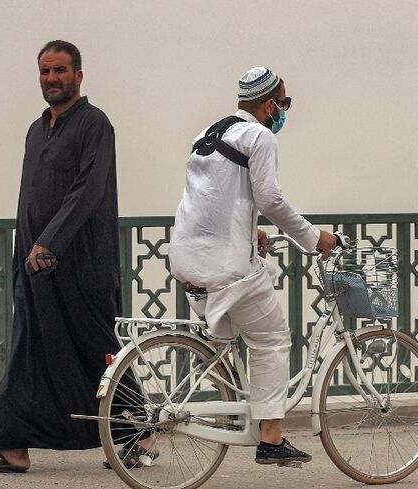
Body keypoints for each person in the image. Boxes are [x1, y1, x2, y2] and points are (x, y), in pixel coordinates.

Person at [0, 40, 153, 472]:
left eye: (60, 71)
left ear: (78, 76)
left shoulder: (94, 124)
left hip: (80, 262)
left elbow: (88, 191)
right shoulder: (36, 128)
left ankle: (136, 432)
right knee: (31, 348)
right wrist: (25, 253)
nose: (52, 79)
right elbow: (29, 197)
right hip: (36, 267)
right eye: (46, 71)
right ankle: (11, 444)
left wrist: (51, 241)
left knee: (95, 350)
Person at [167, 67, 337, 465]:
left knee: (220, 343)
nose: (284, 111)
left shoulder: (208, 132)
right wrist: (315, 238)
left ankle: (157, 433)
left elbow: (214, 196)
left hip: (186, 258)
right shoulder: (259, 136)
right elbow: (271, 198)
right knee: (272, 339)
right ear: (267, 104)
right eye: (284, 102)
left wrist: (251, 229)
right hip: (227, 268)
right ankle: (272, 439)